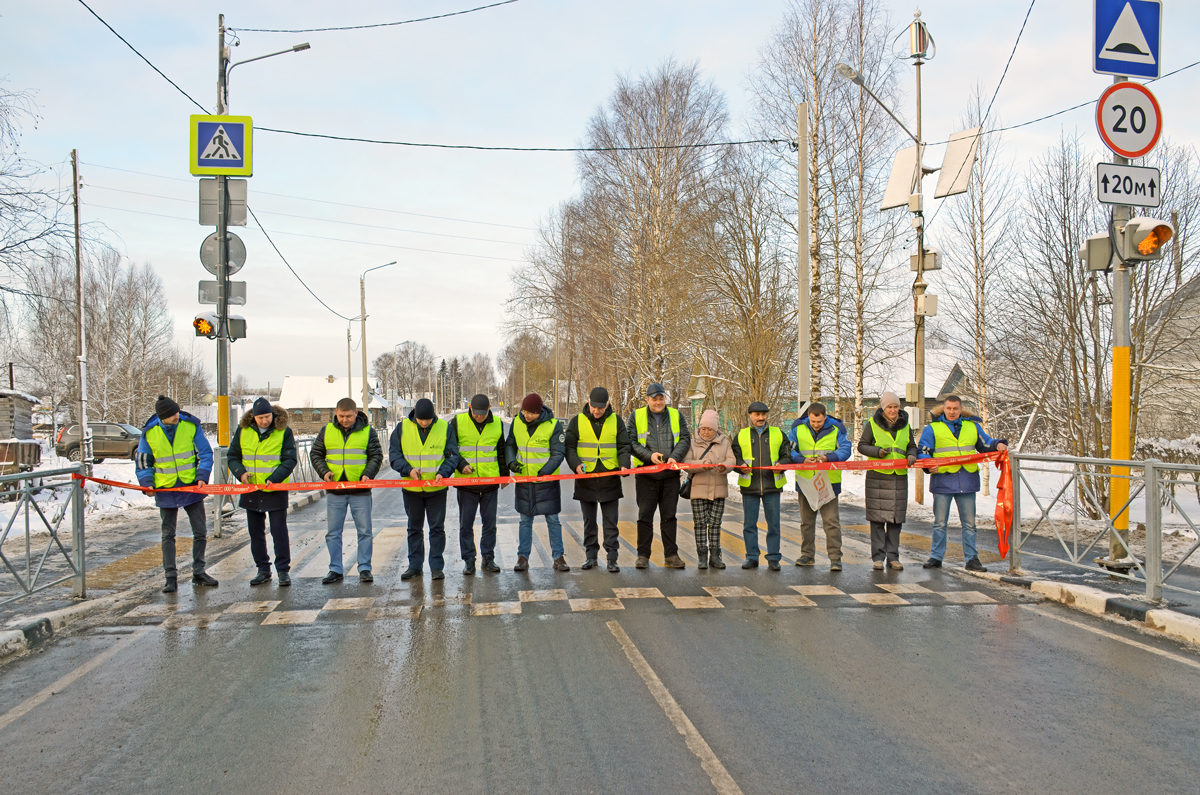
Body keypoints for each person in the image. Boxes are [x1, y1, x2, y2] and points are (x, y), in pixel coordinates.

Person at [917, 394, 1009, 572]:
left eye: (955, 409)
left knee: (969, 524)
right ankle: (936, 557)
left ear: (960, 409)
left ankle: (972, 559)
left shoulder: (972, 426)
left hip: (966, 480)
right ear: (944, 408)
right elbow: (924, 450)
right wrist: (928, 466)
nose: (952, 412)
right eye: (949, 408)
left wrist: (997, 444)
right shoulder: (933, 428)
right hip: (942, 481)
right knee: (940, 523)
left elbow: (985, 443)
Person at [136, 395, 217, 593]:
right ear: (162, 416)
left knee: (200, 531)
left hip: (191, 487)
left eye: (177, 412)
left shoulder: (190, 426)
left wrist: (202, 475)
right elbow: (144, 462)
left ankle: (199, 571)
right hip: (166, 489)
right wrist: (147, 483)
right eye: (172, 414)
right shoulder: (149, 433)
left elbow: (205, 454)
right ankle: (170, 577)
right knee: (168, 534)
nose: (177, 416)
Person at [311, 397, 383, 584]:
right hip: (335, 490)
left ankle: (365, 568)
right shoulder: (327, 431)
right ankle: (335, 569)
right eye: (341, 416)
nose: (345, 419)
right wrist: (324, 471)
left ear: (356, 413)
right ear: (336, 413)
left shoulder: (368, 431)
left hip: (360, 489)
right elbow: (316, 453)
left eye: (349, 416)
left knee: (365, 531)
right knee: (333, 532)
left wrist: (368, 473)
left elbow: (376, 455)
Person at [227, 398, 298, 586]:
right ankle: (262, 569)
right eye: (260, 418)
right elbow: (233, 456)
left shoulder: (284, 432)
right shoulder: (243, 431)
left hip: (275, 488)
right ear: (253, 417)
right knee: (255, 532)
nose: (264, 421)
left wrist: (274, 478)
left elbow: (290, 459)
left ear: (273, 415)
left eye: (267, 417)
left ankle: (283, 570)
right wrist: (240, 473)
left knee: (279, 530)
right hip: (252, 489)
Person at [390, 398, 459, 581]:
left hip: (436, 489)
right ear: (415, 416)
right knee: (414, 528)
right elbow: (394, 454)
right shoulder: (402, 428)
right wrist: (408, 470)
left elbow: (452, 455)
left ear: (433, 416)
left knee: (437, 529)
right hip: (412, 489)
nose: (424, 423)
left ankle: (436, 567)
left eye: (427, 420)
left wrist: (443, 473)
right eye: (421, 420)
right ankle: (415, 566)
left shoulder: (445, 428)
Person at [565, 387, 631, 573]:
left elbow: (624, 446)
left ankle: (612, 558)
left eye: (600, 408)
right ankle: (591, 557)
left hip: (609, 478)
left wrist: (624, 464)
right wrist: (576, 465)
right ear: (588, 401)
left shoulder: (616, 421)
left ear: (607, 405)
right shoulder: (577, 421)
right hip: (586, 478)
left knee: (611, 521)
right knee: (589, 521)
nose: (596, 411)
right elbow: (569, 447)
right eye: (594, 407)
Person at [629, 383, 691, 569]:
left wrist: (675, 457)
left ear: (665, 399)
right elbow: (630, 442)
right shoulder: (636, 416)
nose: (658, 402)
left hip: (670, 474)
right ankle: (643, 556)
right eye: (654, 399)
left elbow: (685, 438)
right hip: (646, 475)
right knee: (645, 516)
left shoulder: (675, 415)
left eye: (661, 398)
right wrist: (649, 456)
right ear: (647, 399)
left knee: (669, 516)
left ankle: (671, 555)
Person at [505, 393, 569, 572]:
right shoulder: (517, 422)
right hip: (525, 481)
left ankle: (558, 557)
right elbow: (510, 444)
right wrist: (511, 463)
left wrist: (546, 470)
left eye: (530, 413)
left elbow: (558, 453)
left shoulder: (553, 426)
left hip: (546, 481)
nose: (526, 415)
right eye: (524, 411)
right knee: (525, 521)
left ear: (539, 412)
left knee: (553, 520)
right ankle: (522, 557)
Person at [857, 391, 917, 571]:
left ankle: (893, 557)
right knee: (877, 520)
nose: (893, 410)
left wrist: (912, 454)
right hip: (877, 476)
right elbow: (862, 446)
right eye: (889, 407)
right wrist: (877, 452)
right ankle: (878, 557)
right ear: (883, 408)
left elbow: (911, 445)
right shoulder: (872, 425)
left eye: (896, 407)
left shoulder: (906, 425)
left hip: (898, 477)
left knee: (895, 520)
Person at [788, 402, 851, 571]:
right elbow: (788, 448)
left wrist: (830, 458)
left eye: (820, 422)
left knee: (831, 522)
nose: (816, 425)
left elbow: (846, 448)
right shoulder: (797, 428)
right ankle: (807, 555)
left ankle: (835, 558)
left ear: (825, 417)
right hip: (805, 482)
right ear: (808, 416)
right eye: (813, 421)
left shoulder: (837, 428)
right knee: (806, 522)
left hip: (829, 483)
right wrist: (801, 460)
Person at [451, 394, 508, 575]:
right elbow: (450, 448)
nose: (479, 416)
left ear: (489, 408)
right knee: (465, 525)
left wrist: (504, 475)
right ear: (470, 407)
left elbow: (501, 451)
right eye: (476, 413)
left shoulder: (497, 424)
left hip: (490, 482)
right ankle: (469, 560)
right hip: (467, 484)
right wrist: (461, 464)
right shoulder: (458, 422)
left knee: (489, 524)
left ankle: (488, 558)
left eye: (482, 413)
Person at [732, 401, 792, 571]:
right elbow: (733, 457)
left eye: (763, 414)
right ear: (750, 415)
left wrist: (781, 463)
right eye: (757, 414)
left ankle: (773, 558)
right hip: (749, 486)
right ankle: (752, 557)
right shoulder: (741, 435)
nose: (761, 417)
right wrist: (739, 465)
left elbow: (788, 455)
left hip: (772, 485)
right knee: (749, 525)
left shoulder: (778, 433)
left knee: (773, 524)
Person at [683, 409, 736, 570]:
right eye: (704, 429)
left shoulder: (724, 442)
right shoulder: (692, 443)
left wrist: (724, 467)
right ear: (699, 428)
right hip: (698, 491)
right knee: (700, 523)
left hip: (718, 491)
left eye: (710, 429)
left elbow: (731, 460)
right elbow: (686, 462)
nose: (706, 432)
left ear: (716, 429)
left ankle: (715, 555)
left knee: (715, 523)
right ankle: (702, 555)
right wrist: (701, 466)